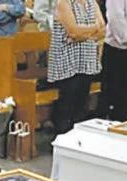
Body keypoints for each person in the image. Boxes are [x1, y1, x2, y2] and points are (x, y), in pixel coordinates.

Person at [47, 0, 103, 134]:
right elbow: (74, 32)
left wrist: (82, 33)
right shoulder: (64, 3)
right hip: (67, 62)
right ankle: (62, 137)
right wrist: (93, 28)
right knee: (67, 103)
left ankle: (78, 137)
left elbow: (102, 31)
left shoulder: (92, 3)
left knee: (82, 103)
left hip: (86, 61)